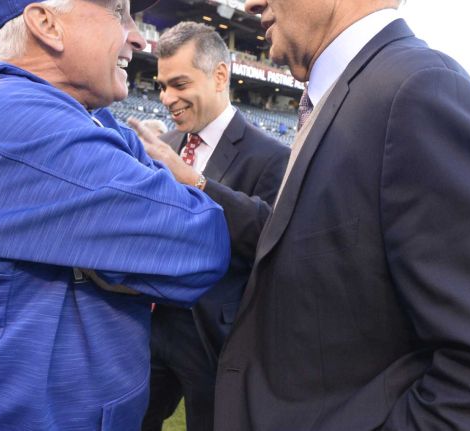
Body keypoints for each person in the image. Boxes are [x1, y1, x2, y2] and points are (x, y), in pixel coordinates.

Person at [149, 0, 470, 429]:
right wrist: (198, 186)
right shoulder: (352, 90)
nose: (251, 2)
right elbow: (315, 248)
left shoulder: (417, 89)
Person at [0, 0, 229, 429]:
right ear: (46, 23)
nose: (137, 36)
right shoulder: (9, 113)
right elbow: (201, 244)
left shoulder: (65, 114)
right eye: (117, 13)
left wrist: (116, 261)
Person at [138, 22, 289, 431]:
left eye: (179, 83)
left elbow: (267, 238)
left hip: (214, 339)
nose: (167, 98)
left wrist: (195, 181)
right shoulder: (164, 144)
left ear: (220, 75)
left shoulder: (272, 156)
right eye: (162, 85)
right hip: (150, 325)